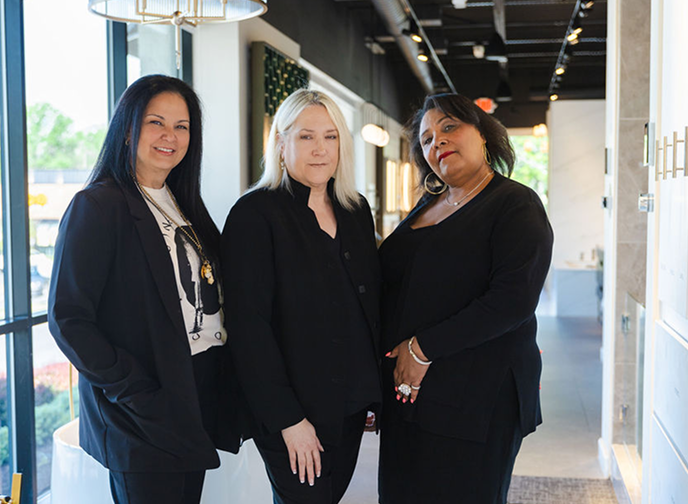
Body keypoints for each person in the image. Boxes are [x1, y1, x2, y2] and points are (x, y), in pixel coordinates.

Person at [48, 74, 239, 504]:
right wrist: (134, 390)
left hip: (196, 394)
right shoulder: (98, 205)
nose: (170, 136)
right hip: (143, 406)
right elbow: (68, 318)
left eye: (182, 126)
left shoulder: (183, 203)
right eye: (157, 122)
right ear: (127, 129)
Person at [378, 93, 554, 504]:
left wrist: (421, 349)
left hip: (478, 398)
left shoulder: (515, 204)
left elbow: (512, 301)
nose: (437, 141)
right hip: (409, 395)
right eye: (426, 139)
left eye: (449, 127)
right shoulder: (428, 205)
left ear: (483, 134)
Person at [221, 89, 381, 504]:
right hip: (293, 410)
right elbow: (247, 327)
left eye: (330, 137)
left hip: (349, 402)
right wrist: (288, 420)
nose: (320, 149)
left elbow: (366, 306)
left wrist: (370, 390)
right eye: (306, 136)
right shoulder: (254, 214)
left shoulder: (355, 209)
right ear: (281, 143)